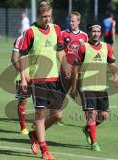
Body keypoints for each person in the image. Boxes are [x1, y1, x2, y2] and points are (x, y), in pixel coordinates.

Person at [19, 1, 71, 160]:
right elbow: (23, 55)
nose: (47, 19)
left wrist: (65, 65)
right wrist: (23, 77)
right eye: (44, 17)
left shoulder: (56, 29)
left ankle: (34, 134)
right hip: (37, 79)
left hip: (54, 79)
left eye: (49, 16)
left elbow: (60, 51)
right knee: (40, 115)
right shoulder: (30, 32)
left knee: (57, 115)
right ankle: (44, 150)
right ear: (38, 16)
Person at [71, 23, 118, 151]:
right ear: (89, 32)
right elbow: (76, 69)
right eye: (94, 31)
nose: (96, 34)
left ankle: (87, 129)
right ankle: (94, 143)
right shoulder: (83, 48)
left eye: (98, 31)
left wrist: (116, 77)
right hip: (87, 87)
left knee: (104, 115)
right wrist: (74, 87)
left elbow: (112, 63)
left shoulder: (106, 47)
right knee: (91, 115)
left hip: (102, 87)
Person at [59, 11, 88, 124]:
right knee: (61, 94)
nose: (71, 23)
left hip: (79, 70)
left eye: (73, 21)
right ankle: (57, 118)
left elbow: (87, 53)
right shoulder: (62, 34)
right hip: (66, 70)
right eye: (69, 21)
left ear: (78, 21)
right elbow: (59, 51)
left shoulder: (84, 36)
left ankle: (88, 122)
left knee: (83, 96)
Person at [11, 35, 31, 135]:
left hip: (37, 74)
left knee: (43, 102)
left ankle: (37, 126)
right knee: (23, 101)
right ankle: (23, 127)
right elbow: (14, 59)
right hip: (22, 76)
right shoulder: (20, 39)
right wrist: (24, 73)